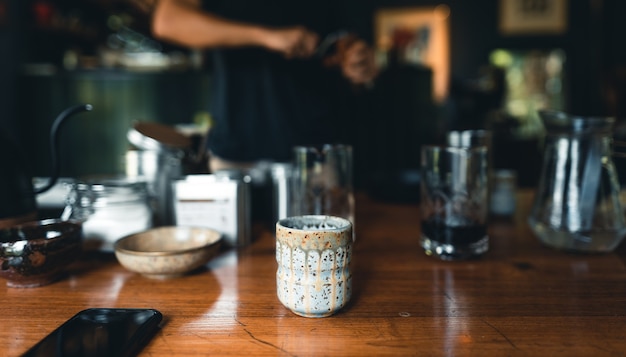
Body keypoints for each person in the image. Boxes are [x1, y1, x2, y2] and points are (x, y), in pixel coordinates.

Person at [150, 0, 378, 171]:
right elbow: (167, 20)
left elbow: (345, 39)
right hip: (237, 155)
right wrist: (265, 36)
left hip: (317, 155)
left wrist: (356, 60)